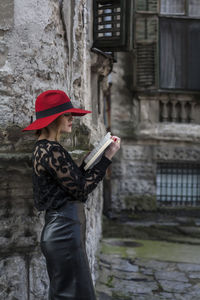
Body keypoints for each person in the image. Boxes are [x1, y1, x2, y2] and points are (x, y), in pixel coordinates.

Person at [22, 90, 120, 300]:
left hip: (63, 231)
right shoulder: (50, 150)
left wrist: (90, 161)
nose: (71, 119)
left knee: (69, 294)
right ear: (54, 118)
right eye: (67, 115)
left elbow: (72, 184)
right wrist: (107, 157)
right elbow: (82, 188)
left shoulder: (46, 148)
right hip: (63, 233)